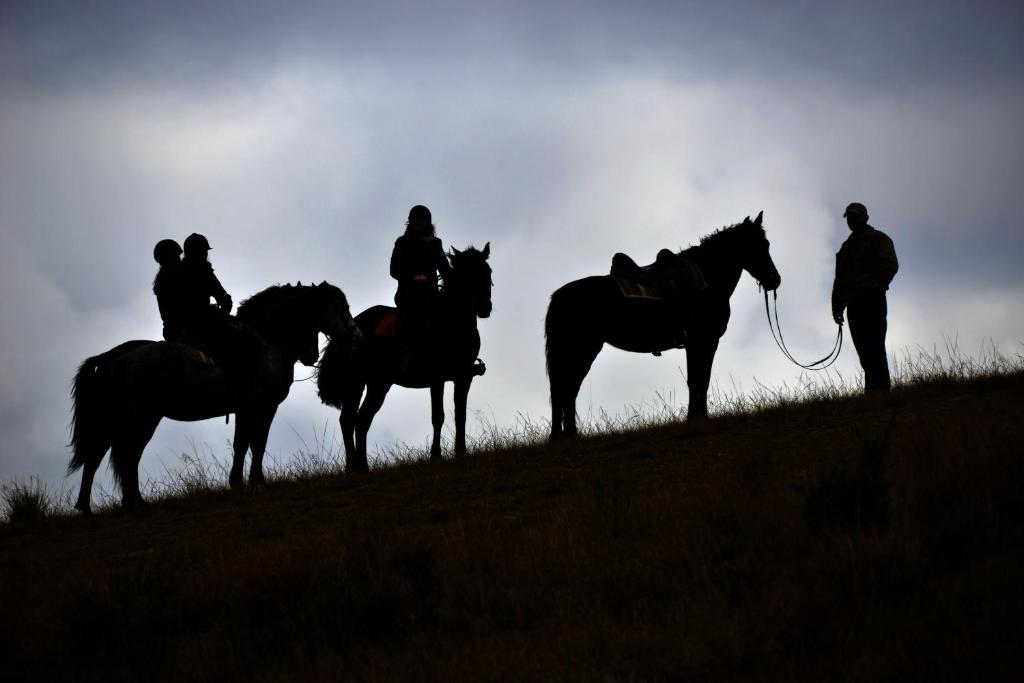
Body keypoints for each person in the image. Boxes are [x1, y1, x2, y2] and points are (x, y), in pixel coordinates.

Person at [831, 202, 899, 393]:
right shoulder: (846, 248)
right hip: (853, 305)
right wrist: (837, 306)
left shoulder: (879, 240)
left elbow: (890, 265)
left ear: (865, 217)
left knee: (875, 347)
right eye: (849, 218)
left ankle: (882, 390)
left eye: (855, 216)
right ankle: (873, 390)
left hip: (873, 302)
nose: (851, 221)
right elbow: (840, 280)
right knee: (863, 351)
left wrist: (876, 287)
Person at [390, 205, 452, 343]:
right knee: (408, 323)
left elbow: (445, 269)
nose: (418, 222)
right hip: (408, 295)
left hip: (432, 295)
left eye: (421, 219)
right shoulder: (402, 242)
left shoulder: (436, 243)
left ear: (427, 222)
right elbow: (394, 270)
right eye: (415, 219)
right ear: (410, 222)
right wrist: (413, 278)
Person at [152, 238, 184, 342]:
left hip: (172, 332)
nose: (179, 260)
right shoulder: (173, 280)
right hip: (182, 331)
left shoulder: (160, 282)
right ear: (169, 259)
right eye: (176, 257)